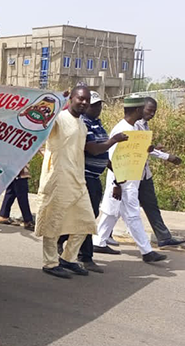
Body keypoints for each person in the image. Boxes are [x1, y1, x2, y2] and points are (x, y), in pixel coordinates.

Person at [56, 91, 128, 273]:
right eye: (93, 105)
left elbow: (102, 154)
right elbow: (94, 149)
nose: (97, 108)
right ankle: (85, 256)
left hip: (95, 177)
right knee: (87, 218)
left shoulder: (97, 124)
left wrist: (116, 174)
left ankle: (62, 237)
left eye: (98, 105)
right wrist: (114, 140)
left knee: (90, 215)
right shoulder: (83, 124)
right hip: (84, 176)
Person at [93, 95, 168, 263]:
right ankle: (147, 251)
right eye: (143, 108)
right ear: (137, 110)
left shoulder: (133, 128)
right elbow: (112, 159)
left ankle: (99, 241)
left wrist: (148, 149)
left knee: (112, 212)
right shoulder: (122, 129)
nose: (145, 111)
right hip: (122, 181)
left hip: (128, 179)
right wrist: (117, 184)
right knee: (132, 214)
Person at [34, 86, 95, 279]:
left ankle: (68, 258)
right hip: (57, 179)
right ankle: (50, 262)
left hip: (77, 180)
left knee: (86, 222)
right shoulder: (59, 119)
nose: (84, 102)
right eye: (80, 98)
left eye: (87, 100)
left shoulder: (83, 124)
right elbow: (39, 123)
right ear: (72, 99)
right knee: (53, 222)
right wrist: (56, 102)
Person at [132, 97, 185, 247]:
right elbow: (140, 148)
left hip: (143, 173)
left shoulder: (144, 125)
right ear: (141, 108)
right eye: (150, 110)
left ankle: (163, 236)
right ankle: (102, 238)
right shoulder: (134, 125)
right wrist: (168, 157)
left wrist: (155, 148)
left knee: (151, 204)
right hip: (133, 173)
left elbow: (146, 148)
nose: (152, 114)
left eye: (154, 111)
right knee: (117, 208)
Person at [0, 164, 34, 231]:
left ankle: (4, 215)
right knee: (22, 196)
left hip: (12, 170)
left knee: (11, 192)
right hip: (19, 171)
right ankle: (28, 220)